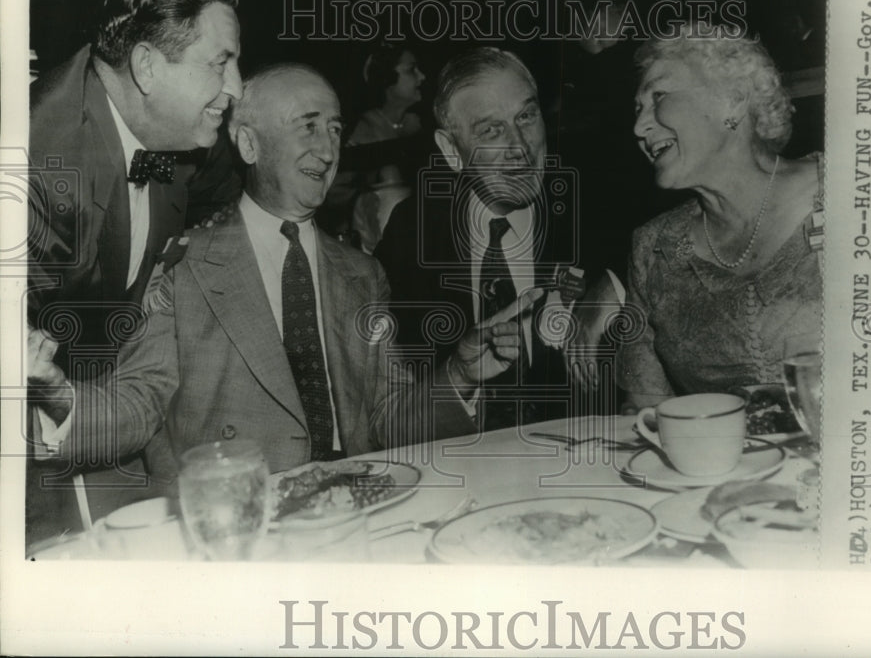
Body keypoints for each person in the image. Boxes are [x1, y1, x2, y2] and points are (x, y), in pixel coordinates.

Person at [26, 64, 528, 505]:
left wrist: (459, 375)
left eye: (334, 129)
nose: (329, 149)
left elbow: (389, 421)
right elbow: (137, 405)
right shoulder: (183, 263)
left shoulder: (362, 274)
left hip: (354, 513)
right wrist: (58, 394)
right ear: (248, 143)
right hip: (235, 531)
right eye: (307, 127)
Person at [25, 0, 243, 538]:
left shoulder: (179, 130)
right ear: (147, 66)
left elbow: (227, 193)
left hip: (102, 420)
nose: (237, 88)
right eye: (222, 63)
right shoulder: (37, 166)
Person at [376, 47, 610, 432]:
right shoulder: (413, 233)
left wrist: (612, 286)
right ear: (452, 152)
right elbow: (396, 409)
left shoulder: (593, 204)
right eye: (491, 130)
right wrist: (458, 379)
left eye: (526, 116)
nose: (520, 146)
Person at [619, 29, 823, 411]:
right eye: (637, 109)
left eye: (659, 96)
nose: (639, 127)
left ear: (733, 99)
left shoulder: (852, 193)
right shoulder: (654, 249)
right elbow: (642, 415)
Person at [336, 44, 427, 253]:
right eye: (411, 70)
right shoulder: (363, 130)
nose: (422, 77)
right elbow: (335, 196)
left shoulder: (419, 124)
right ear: (386, 78)